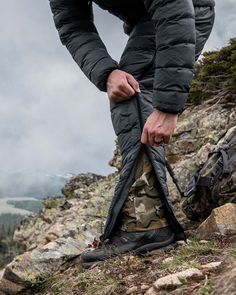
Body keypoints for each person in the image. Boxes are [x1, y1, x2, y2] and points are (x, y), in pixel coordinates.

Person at [49, 0, 215, 265]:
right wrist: (106, 72)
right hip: (149, 18)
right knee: (125, 85)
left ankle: (148, 227)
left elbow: (175, 8)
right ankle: (148, 223)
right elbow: (72, 24)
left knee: (133, 92)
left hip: (186, 9)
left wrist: (167, 108)